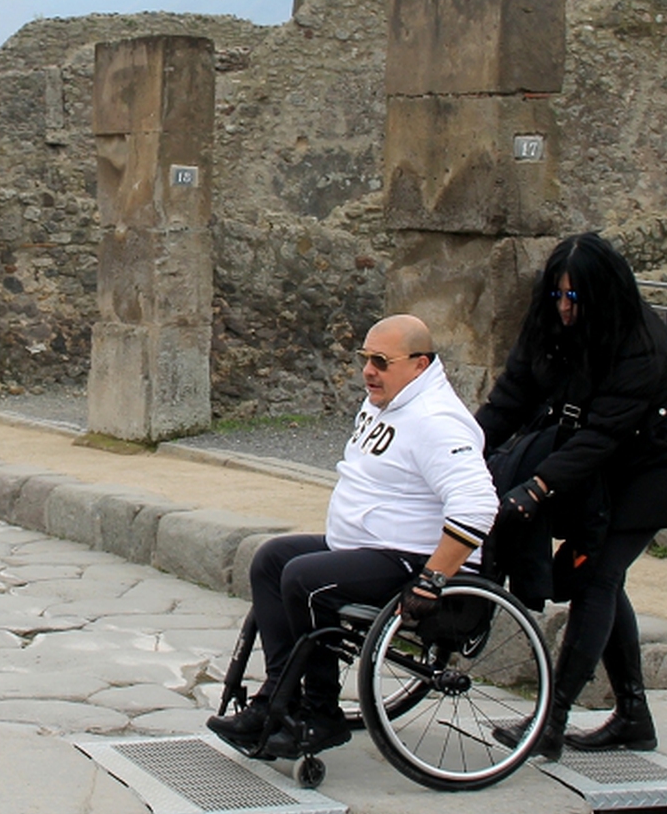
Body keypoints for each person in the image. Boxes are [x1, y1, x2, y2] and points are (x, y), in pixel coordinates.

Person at [207, 314, 498, 759]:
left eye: (381, 361)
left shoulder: (437, 420)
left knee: (304, 578)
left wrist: (431, 579)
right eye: (365, 358)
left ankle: (321, 713)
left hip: (412, 557)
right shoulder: (386, 401)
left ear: (419, 365)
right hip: (365, 546)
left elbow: (477, 505)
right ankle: (277, 700)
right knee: (271, 559)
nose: (368, 371)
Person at [477, 233, 667, 760]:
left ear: (601, 295)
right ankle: (633, 715)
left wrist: (538, 487)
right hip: (599, 464)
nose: (563, 307)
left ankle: (551, 720)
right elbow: (511, 397)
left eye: (574, 298)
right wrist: (460, 450)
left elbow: (602, 434)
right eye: (557, 294)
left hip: (653, 466)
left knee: (596, 576)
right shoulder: (547, 321)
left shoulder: (639, 340)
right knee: (600, 579)